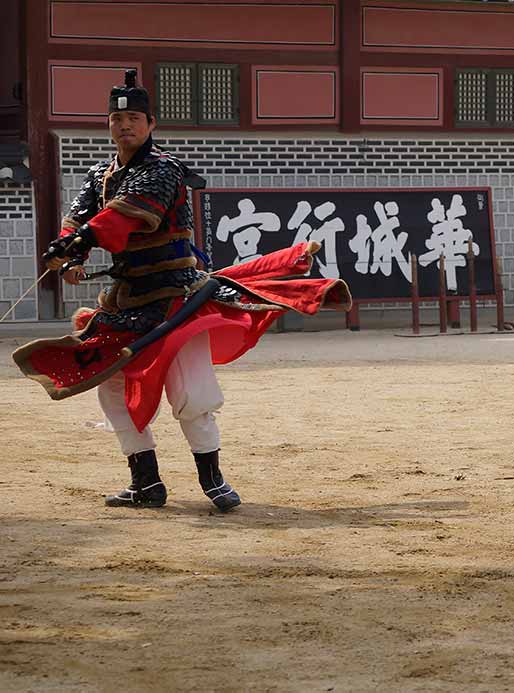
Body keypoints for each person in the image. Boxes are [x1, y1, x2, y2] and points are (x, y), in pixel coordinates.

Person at [14, 70, 351, 512]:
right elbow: (79, 220)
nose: (125, 126)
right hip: (122, 304)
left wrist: (76, 244)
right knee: (111, 388)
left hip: (176, 298)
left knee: (191, 392)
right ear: (108, 126)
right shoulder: (99, 174)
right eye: (118, 120)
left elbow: (121, 217)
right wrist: (70, 254)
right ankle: (145, 483)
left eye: (135, 118)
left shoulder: (163, 171)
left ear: (151, 124)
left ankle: (212, 481)